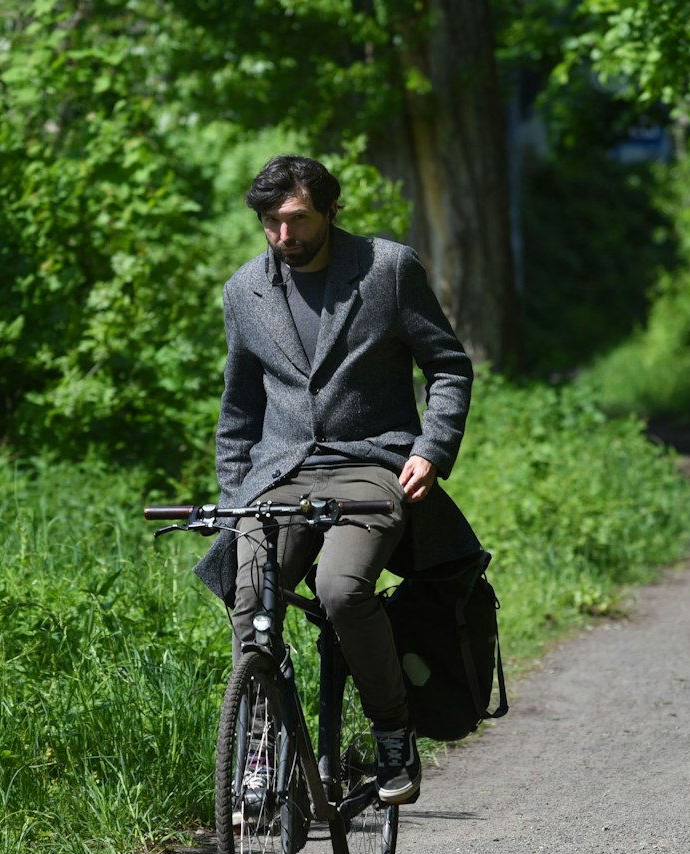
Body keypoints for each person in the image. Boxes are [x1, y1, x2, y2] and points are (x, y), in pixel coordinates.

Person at [192, 154, 479, 805]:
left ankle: (392, 733)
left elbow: (449, 367)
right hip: (279, 475)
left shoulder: (387, 270)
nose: (283, 236)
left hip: (372, 470)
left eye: (295, 220)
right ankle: (262, 752)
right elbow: (239, 412)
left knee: (342, 590)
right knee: (252, 597)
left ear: (330, 210)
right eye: (270, 223)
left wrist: (431, 450)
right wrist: (237, 503)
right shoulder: (245, 291)